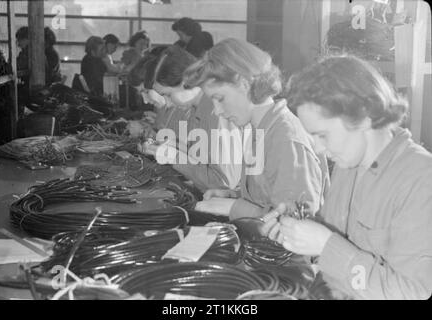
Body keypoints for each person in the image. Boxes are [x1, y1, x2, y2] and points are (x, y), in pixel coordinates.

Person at [261, 55, 432, 300]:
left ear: (363, 117)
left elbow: (414, 293)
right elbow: (335, 242)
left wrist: (326, 245)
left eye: (323, 135)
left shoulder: (421, 180)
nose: (319, 149)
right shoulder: (348, 163)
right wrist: (298, 227)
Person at [184, 38, 329, 221]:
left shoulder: (285, 139)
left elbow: (297, 221)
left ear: (244, 84)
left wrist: (237, 208)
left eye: (220, 98)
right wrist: (233, 196)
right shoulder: (258, 130)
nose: (218, 111)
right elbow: (268, 195)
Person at [139, 45, 242, 192]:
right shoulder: (196, 107)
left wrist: (174, 157)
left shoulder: (217, 112)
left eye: (167, 95)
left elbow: (223, 183)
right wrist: (170, 146)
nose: (166, 103)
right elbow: (199, 159)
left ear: (185, 82)